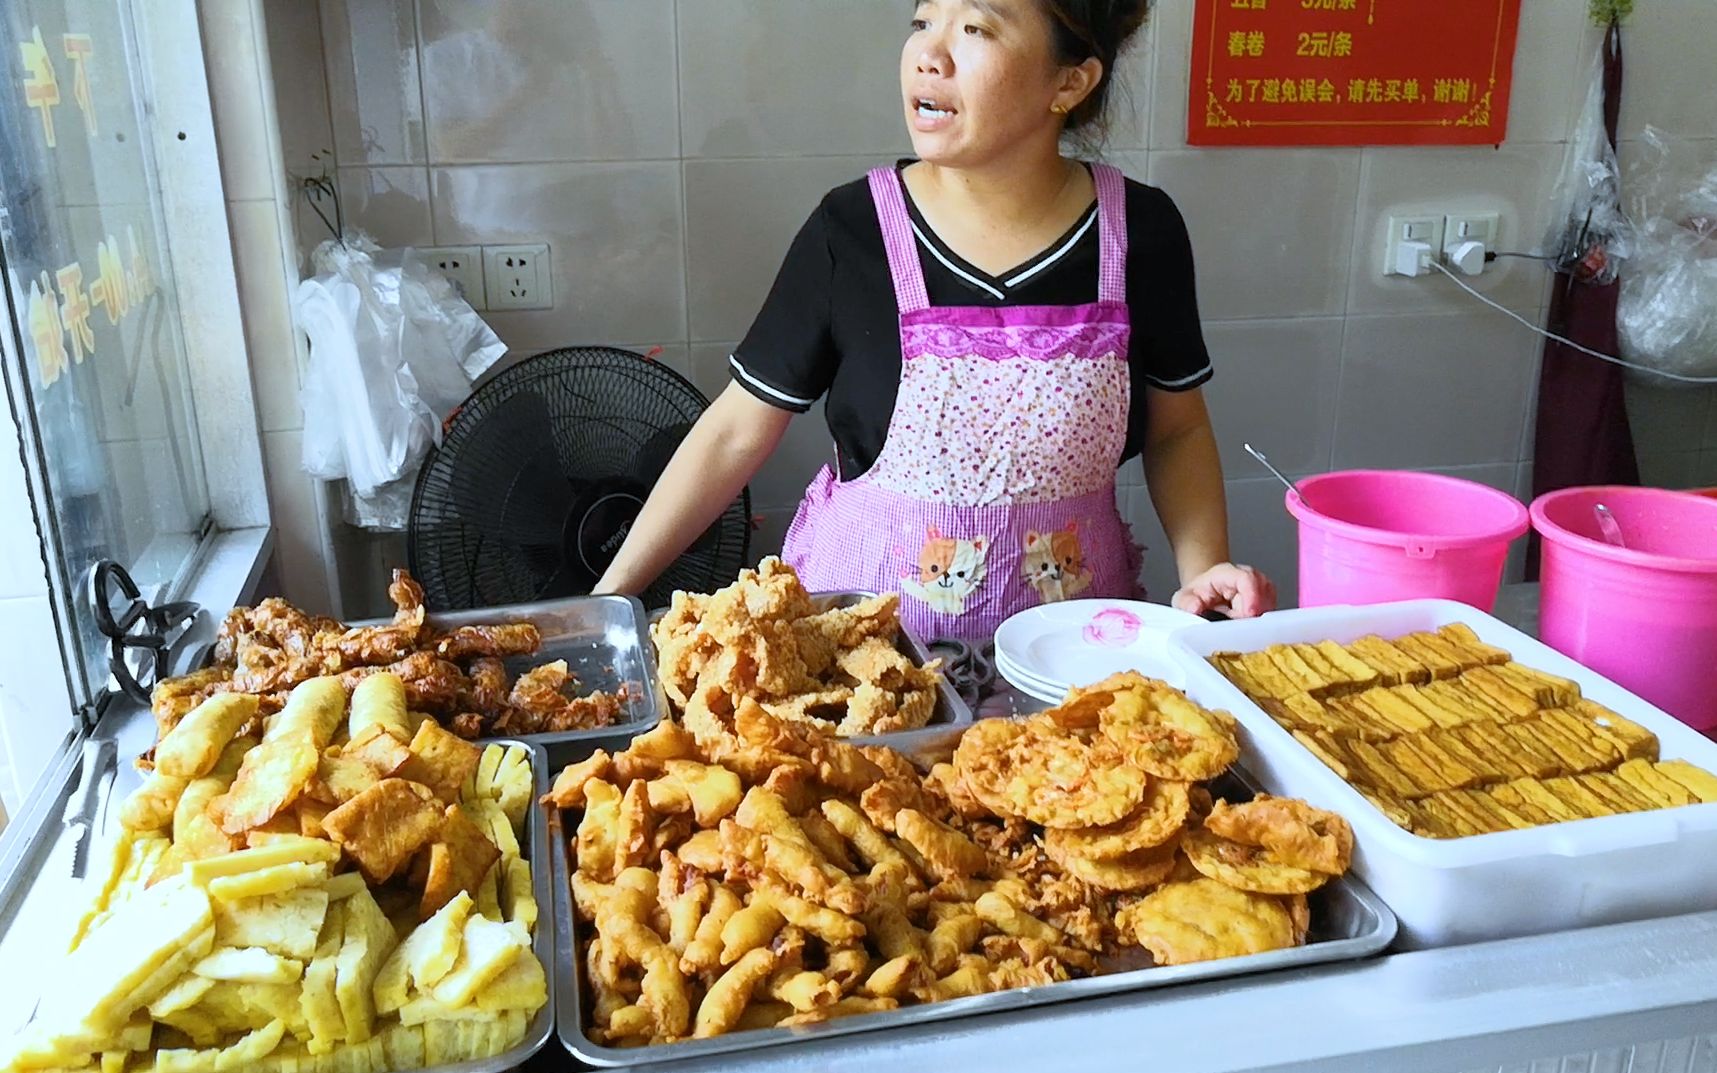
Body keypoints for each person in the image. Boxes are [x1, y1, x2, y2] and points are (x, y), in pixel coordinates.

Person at [597, 0, 1276, 642]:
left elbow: (1177, 429)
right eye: (923, 20)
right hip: (866, 666)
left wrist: (1203, 574)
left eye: (975, 28)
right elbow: (733, 433)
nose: (928, 53)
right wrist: (608, 599)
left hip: (1070, 664)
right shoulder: (852, 230)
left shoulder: (1138, 233)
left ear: (1070, 81)